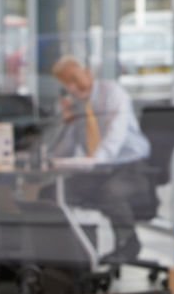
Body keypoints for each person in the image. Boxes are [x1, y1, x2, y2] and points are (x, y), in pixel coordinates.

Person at [48, 55, 154, 262]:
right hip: (99, 168)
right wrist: (66, 122)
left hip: (131, 165)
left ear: (87, 71)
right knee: (53, 192)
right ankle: (72, 252)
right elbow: (65, 151)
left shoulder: (112, 93)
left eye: (73, 77)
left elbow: (114, 140)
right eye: (66, 82)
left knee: (110, 193)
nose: (72, 85)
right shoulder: (77, 106)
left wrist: (94, 160)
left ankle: (128, 244)